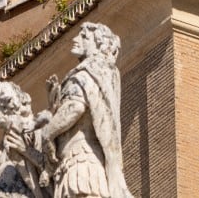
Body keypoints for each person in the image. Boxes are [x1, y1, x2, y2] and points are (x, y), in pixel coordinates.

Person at [35, 23, 132, 198]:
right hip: (78, 160)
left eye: (84, 37)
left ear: (99, 45)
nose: (75, 39)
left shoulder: (85, 74)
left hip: (81, 161)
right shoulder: (103, 73)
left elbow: (75, 107)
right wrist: (52, 109)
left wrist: (48, 132)